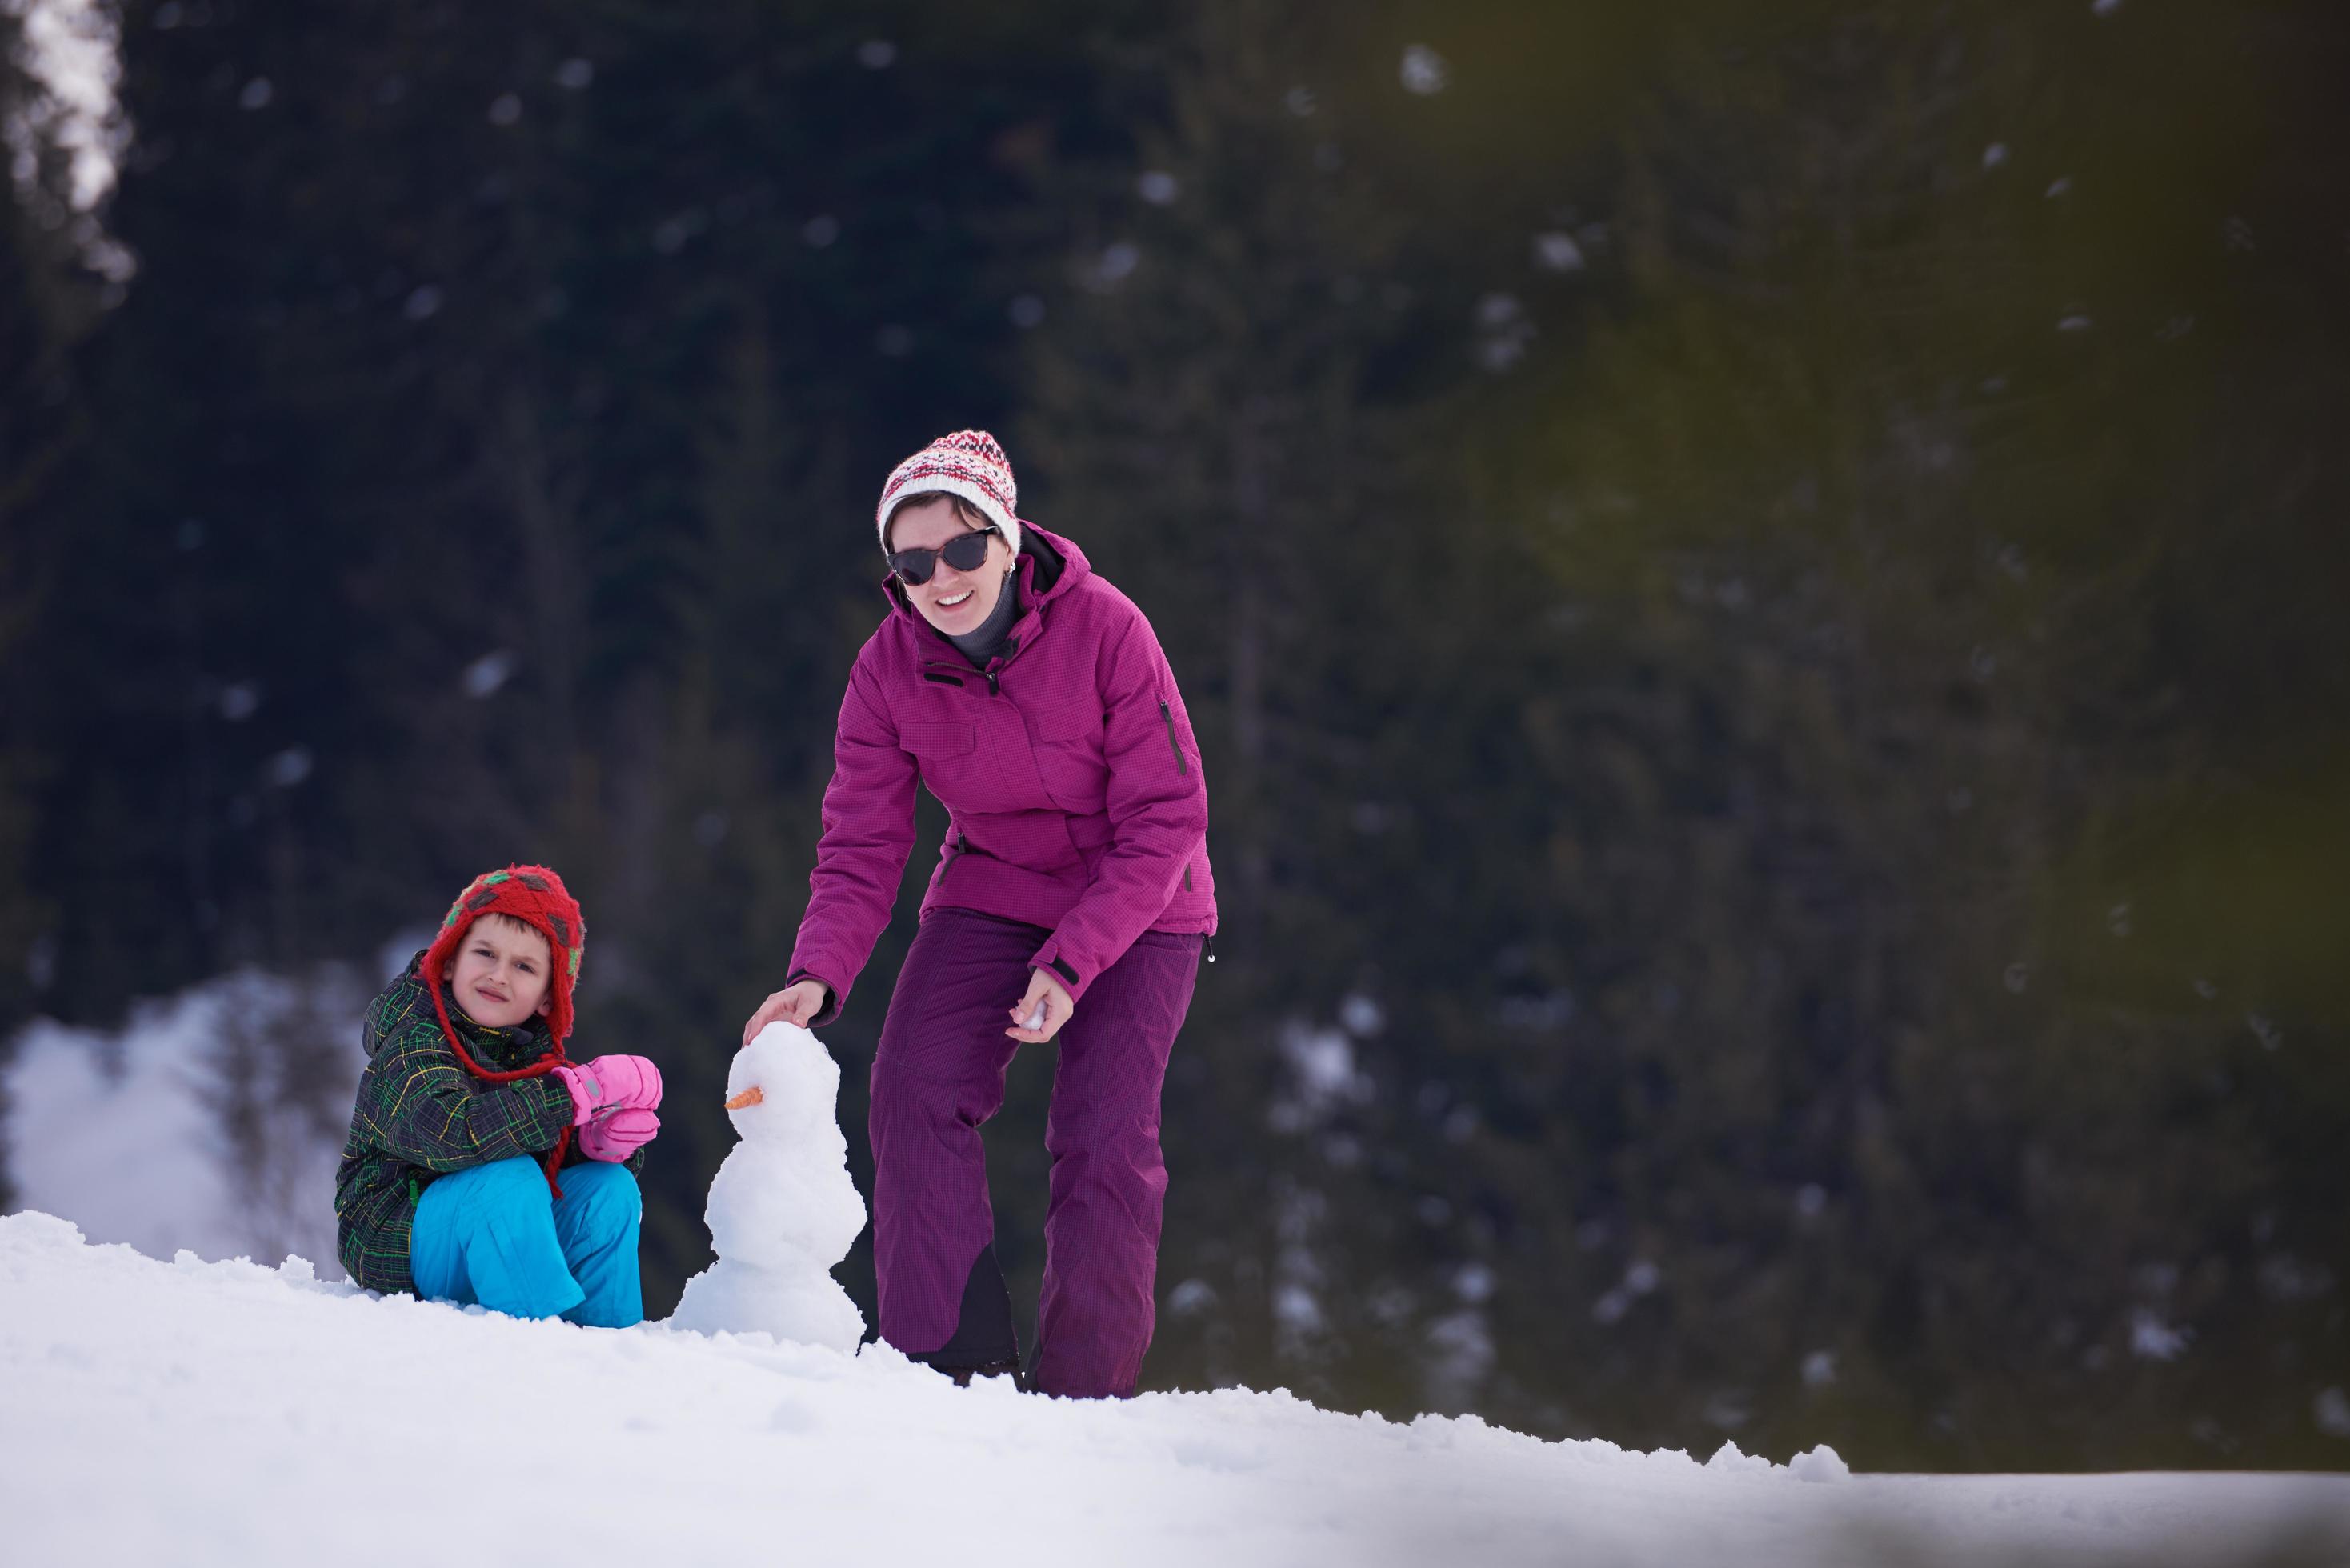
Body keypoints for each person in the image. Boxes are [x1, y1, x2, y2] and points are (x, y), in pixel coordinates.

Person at [742, 430, 1216, 1398]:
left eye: (962, 549)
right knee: (911, 1083)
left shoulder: (1107, 628)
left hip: (1142, 900)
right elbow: (863, 842)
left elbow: (1167, 816)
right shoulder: (887, 671)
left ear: (1008, 540)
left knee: (1104, 1132)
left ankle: (1086, 1392)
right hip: (994, 886)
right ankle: (950, 1365)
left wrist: (1074, 961)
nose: (942, 579)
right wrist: (814, 973)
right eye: (913, 564)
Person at [335, 864, 664, 1326]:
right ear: (450, 960)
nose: (498, 975)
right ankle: (545, 1352)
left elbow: (540, 1142)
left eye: (524, 966)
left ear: (548, 998)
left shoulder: (532, 1057)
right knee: (507, 1179)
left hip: (492, 1229)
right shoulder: (413, 1038)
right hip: (397, 1233)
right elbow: (452, 1133)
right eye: (485, 953)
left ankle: (610, 1343)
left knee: (609, 1192)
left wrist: (594, 1145)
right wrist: (568, 1098)